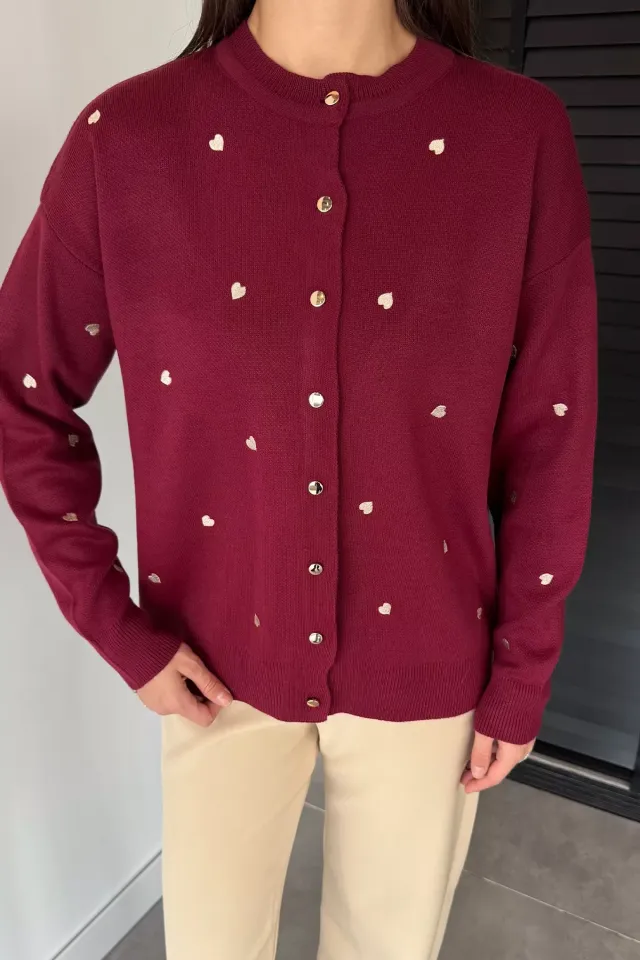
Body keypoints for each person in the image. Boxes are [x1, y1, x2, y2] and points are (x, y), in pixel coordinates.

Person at [0, 0, 598, 957]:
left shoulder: (518, 134)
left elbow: (552, 434)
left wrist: (524, 670)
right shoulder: (129, 139)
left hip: (432, 663)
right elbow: (20, 394)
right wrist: (116, 627)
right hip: (211, 668)